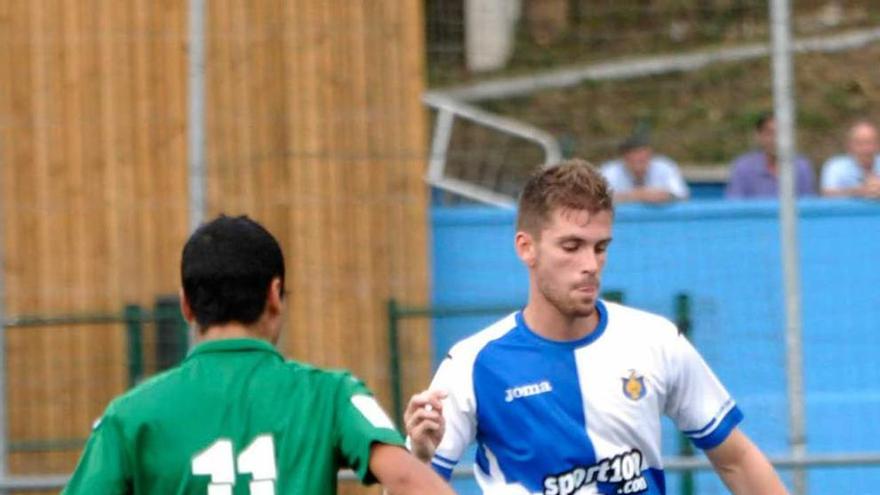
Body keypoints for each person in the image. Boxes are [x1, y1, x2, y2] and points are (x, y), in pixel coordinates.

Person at [405, 160, 787, 494]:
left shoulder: (654, 341)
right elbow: (408, 487)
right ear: (527, 248)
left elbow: (736, 459)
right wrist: (420, 458)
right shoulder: (472, 364)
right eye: (572, 247)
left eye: (600, 247)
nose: (590, 263)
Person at [63, 215, 453, 495]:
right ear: (274, 294)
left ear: (186, 305)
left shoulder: (130, 416)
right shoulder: (331, 395)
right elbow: (407, 480)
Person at [725, 112, 815, 198]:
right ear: (759, 136)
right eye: (770, 133)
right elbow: (734, 208)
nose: (776, 139)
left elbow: (808, 207)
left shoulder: (801, 166)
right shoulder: (743, 167)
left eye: (782, 133)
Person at [599, 134, 689, 204]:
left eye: (642, 156)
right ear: (624, 157)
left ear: (650, 154)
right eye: (633, 155)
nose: (638, 158)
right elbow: (598, 200)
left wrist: (664, 196)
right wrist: (636, 195)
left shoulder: (665, 167)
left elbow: (682, 195)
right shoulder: (609, 171)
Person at [820, 120, 880, 198]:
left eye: (870, 143)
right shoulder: (835, 166)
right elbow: (827, 193)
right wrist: (860, 191)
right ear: (850, 145)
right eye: (860, 143)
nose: (866, 149)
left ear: (878, 144)